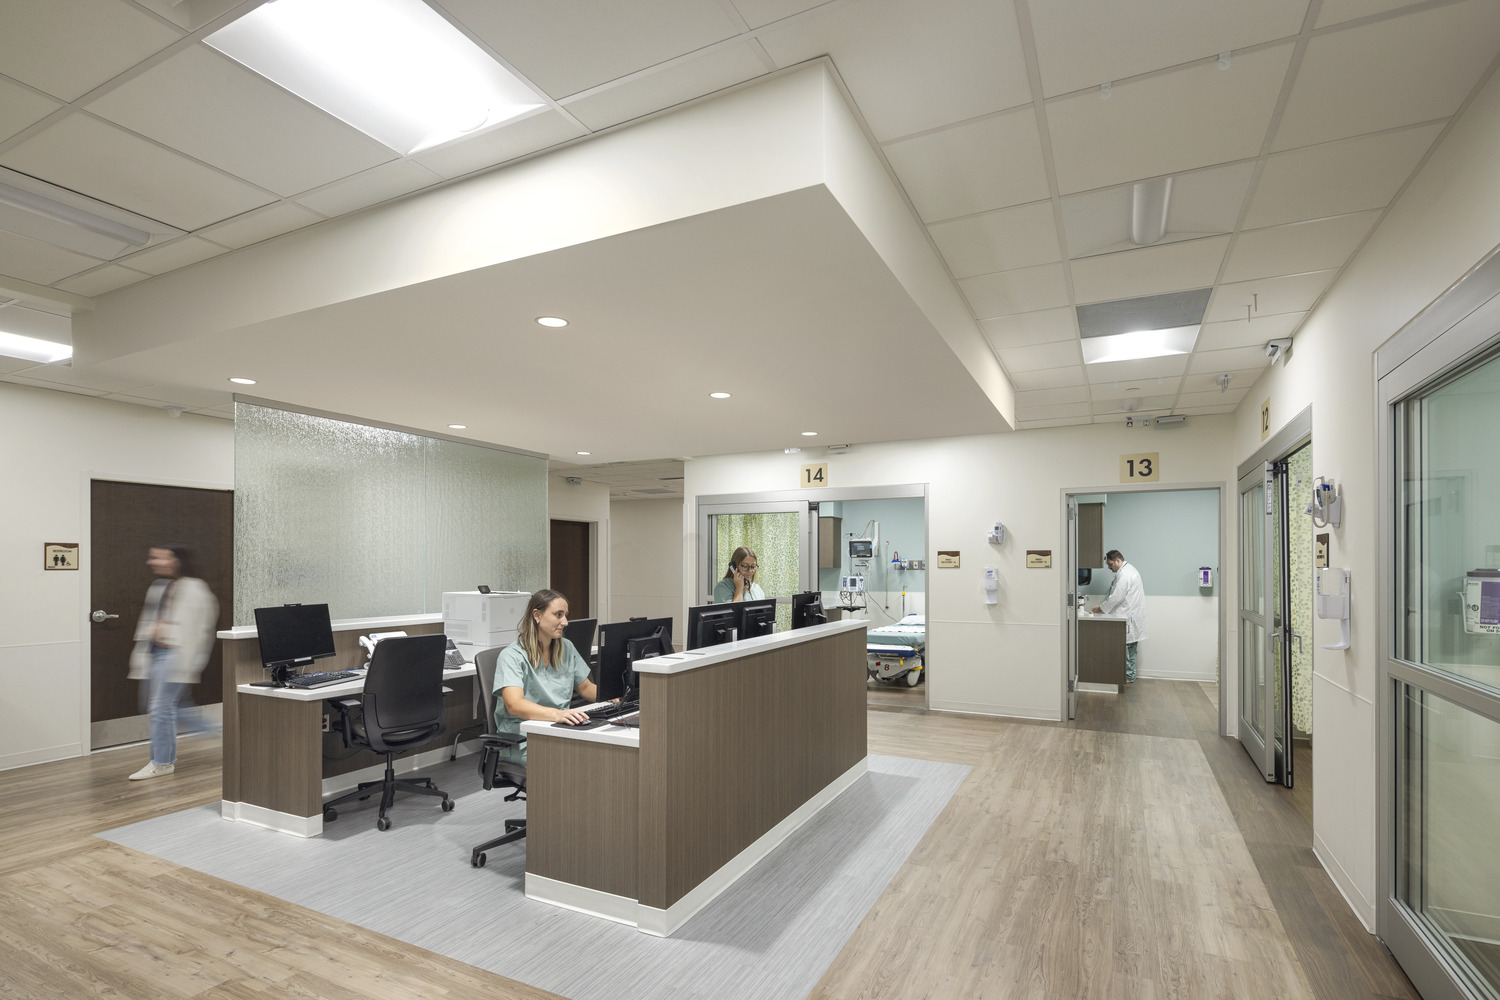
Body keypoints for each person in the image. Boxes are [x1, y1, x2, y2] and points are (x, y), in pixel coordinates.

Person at [127, 543, 218, 780]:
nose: (152, 562)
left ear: (176, 560)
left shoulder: (196, 589)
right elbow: (151, 619)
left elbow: (201, 630)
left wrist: (190, 662)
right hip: (154, 653)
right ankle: (215, 729)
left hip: (176, 655)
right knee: (163, 706)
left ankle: (162, 763)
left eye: (158, 558)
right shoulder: (159, 586)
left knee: (160, 708)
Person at [492, 589, 604, 764]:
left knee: (599, 753)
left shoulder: (566, 647)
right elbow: (514, 705)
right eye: (558, 615)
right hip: (522, 738)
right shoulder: (512, 656)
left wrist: (615, 696)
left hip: (558, 729)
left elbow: (586, 688)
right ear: (537, 615)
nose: (565, 622)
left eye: (565, 615)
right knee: (578, 761)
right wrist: (556, 715)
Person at [1092, 549, 1147, 683]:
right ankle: (1129, 676)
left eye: (1110, 565)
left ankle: (1127, 677)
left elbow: (1116, 597)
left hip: (1128, 618)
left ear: (1118, 560)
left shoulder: (1125, 574)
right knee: (1130, 648)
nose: (1109, 568)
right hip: (1130, 616)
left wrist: (1100, 608)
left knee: (1127, 648)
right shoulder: (1128, 571)